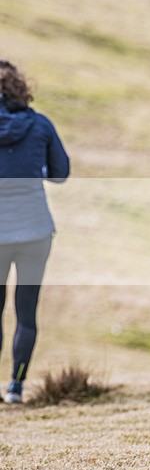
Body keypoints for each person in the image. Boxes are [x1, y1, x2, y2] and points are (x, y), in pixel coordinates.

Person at [0, 59, 70, 404]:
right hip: (34, 231)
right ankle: (16, 387)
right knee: (26, 312)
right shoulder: (40, 124)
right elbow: (60, 173)